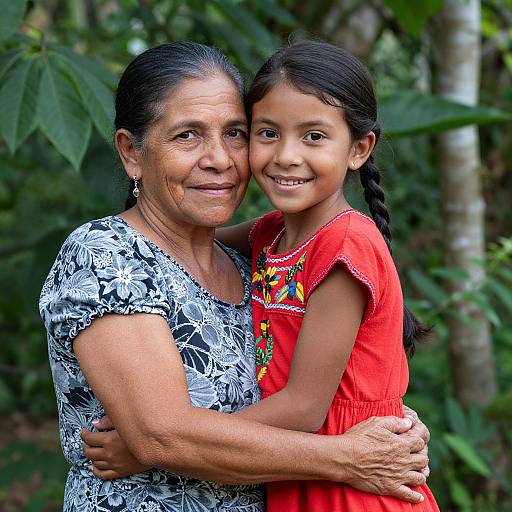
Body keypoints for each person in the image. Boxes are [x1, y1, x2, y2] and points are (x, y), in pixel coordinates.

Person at [40, 41, 429, 512]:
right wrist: (349, 456)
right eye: (187, 135)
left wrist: (393, 424)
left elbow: (327, 388)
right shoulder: (107, 258)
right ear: (131, 153)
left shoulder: (254, 262)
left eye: (235, 133)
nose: (220, 159)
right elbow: (161, 435)